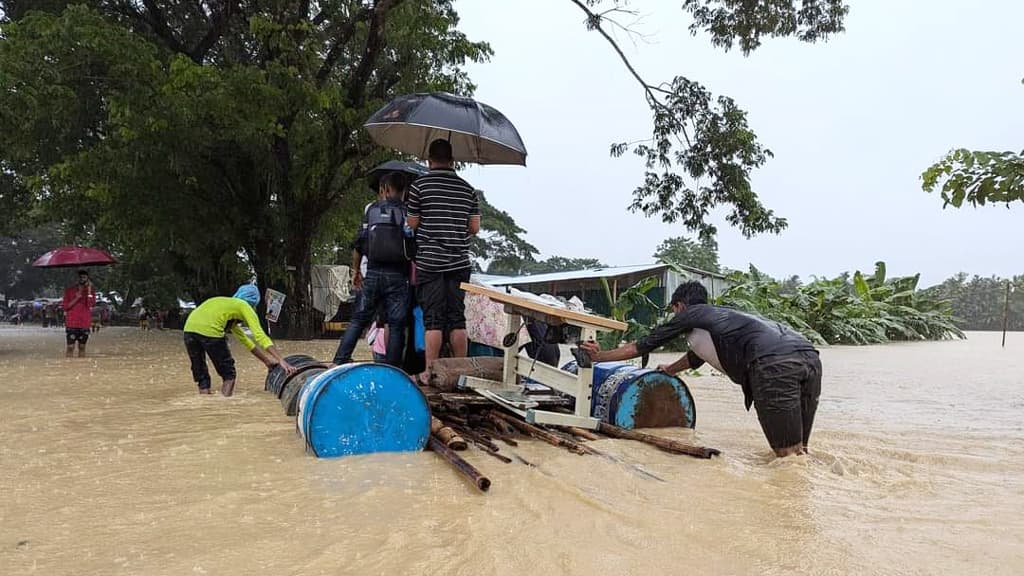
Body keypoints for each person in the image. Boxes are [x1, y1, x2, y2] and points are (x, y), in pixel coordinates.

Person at [580, 281, 822, 457]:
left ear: (680, 306)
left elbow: (640, 347)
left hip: (774, 365)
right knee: (799, 451)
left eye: (674, 311)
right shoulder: (719, 321)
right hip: (808, 357)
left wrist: (598, 357)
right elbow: (696, 356)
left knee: (786, 455)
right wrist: (670, 370)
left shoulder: (691, 315)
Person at [406, 139, 480, 380]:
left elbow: (413, 223)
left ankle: (430, 371)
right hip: (459, 262)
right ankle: (461, 373)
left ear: (429, 160)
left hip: (430, 262)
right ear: (452, 161)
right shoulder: (468, 189)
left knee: (434, 320)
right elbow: (475, 227)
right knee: (457, 319)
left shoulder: (419, 186)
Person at [332, 172, 413, 366]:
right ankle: (393, 369)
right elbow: (412, 244)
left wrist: (356, 271)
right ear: (406, 191)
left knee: (358, 319)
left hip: (373, 273)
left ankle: (340, 360)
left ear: (386, 189)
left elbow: (359, 244)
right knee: (396, 325)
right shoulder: (409, 213)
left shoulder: (372, 211)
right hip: (398, 275)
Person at [183, 284, 296, 396]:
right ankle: (225, 405)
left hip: (188, 331)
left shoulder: (228, 309)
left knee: (201, 374)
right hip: (210, 330)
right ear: (253, 303)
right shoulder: (244, 306)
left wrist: (267, 361)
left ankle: (206, 404)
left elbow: (246, 342)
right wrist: (282, 360)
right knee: (229, 376)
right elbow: (260, 336)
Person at [62, 270, 96, 358]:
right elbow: (65, 307)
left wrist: (88, 292)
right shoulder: (69, 291)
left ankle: (81, 366)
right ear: (77, 279)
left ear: (88, 279)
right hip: (72, 323)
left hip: (84, 323)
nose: (82, 279)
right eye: (80, 277)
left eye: (84, 277)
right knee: (70, 347)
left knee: (82, 346)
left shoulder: (91, 292)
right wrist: (76, 298)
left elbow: (90, 304)